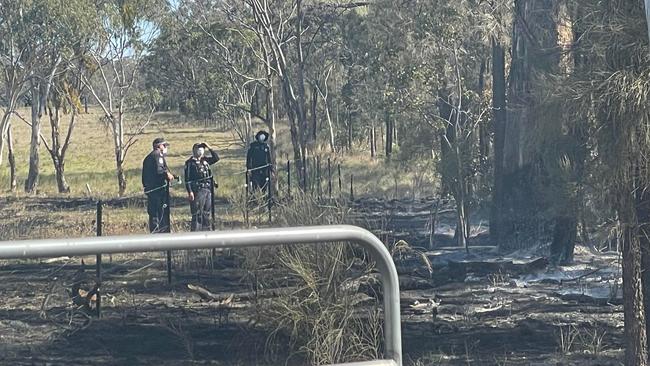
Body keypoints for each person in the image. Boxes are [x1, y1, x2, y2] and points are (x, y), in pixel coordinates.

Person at [184, 142, 220, 231]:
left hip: (208, 189)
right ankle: (196, 234)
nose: (201, 150)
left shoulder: (205, 160)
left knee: (206, 213)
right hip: (197, 190)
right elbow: (187, 179)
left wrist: (209, 147)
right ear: (194, 150)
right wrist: (190, 191)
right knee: (197, 213)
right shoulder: (190, 163)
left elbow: (216, 158)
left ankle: (206, 232)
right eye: (198, 148)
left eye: (202, 148)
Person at [142, 137, 175, 233]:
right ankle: (161, 236)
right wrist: (167, 175)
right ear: (159, 146)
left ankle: (155, 234)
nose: (165, 148)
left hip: (151, 190)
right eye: (164, 146)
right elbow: (159, 171)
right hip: (158, 191)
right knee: (160, 215)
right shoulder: (157, 155)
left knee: (154, 214)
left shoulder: (148, 157)